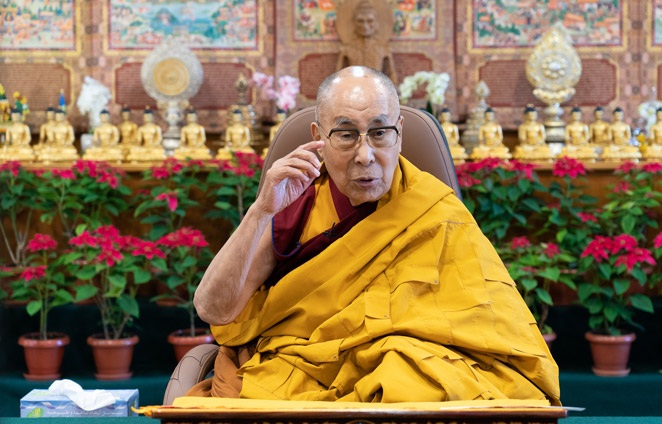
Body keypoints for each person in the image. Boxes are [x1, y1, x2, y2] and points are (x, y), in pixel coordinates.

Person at [190, 66, 560, 404]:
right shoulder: (295, 204)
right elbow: (214, 310)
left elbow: (497, 332)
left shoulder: (435, 209)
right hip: (306, 368)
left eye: (380, 133)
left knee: (406, 366)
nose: (365, 155)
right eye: (347, 135)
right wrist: (261, 211)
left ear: (399, 132)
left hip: (403, 370)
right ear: (319, 137)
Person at [336, 0, 397, 82]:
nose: (365, 26)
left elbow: (392, 78)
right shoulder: (347, 49)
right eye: (360, 21)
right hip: (353, 90)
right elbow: (338, 79)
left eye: (370, 21)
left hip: (377, 91)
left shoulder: (383, 48)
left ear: (376, 23)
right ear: (354, 23)